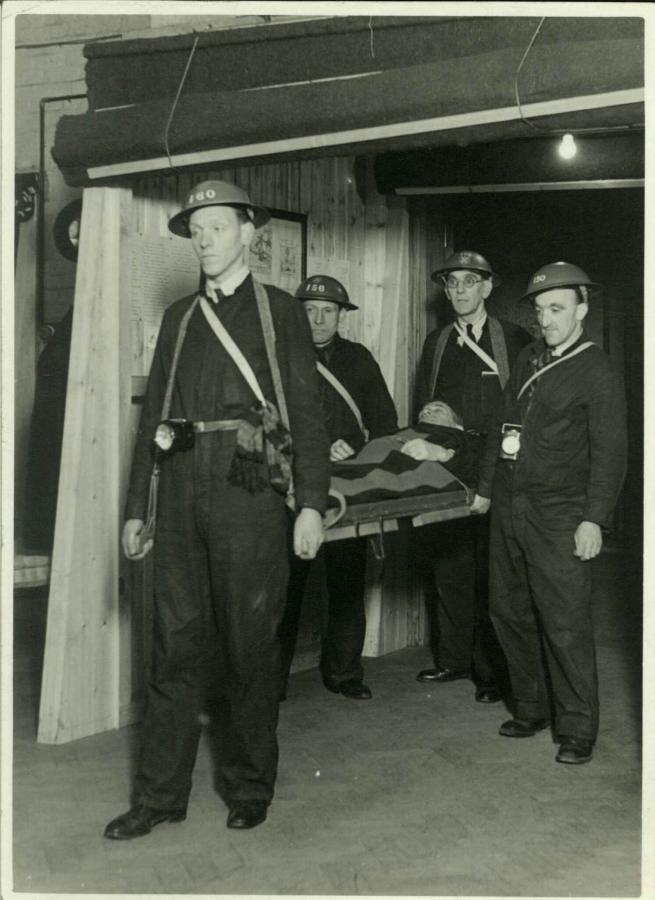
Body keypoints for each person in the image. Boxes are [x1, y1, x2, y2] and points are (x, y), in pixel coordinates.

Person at [104, 180, 330, 838]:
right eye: (196, 229)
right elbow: (155, 423)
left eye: (217, 227)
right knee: (171, 651)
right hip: (177, 495)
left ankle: (250, 785)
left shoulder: (279, 312)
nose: (204, 239)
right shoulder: (178, 318)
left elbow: (308, 416)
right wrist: (136, 506)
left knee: (247, 648)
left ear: (247, 234)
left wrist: (311, 503)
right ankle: (158, 796)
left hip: (250, 492)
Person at [479, 262, 627, 765]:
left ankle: (578, 727)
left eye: (557, 308)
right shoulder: (527, 359)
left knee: (564, 621)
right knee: (508, 609)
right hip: (510, 504)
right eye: (541, 310)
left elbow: (611, 452)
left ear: (582, 309)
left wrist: (595, 518)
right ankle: (531, 706)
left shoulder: (597, 369)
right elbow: (503, 427)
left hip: (561, 511)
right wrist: (485, 490)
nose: (547, 319)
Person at [414, 250, 532, 702]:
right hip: (448, 459)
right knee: (449, 563)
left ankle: (490, 673)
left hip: (497, 463)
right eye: (452, 284)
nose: (460, 291)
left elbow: (522, 411)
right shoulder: (437, 342)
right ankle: (453, 660)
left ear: (487, 287)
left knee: (491, 570)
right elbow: (425, 407)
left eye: (469, 282)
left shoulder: (515, 339)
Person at [278, 275, 398, 701]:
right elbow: (264, 422)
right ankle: (270, 682)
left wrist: (358, 444)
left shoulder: (360, 360)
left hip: (348, 490)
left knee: (347, 582)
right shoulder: (280, 357)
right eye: (309, 310)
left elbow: (386, 424)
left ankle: (344, 672)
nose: (318, 319)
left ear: (342, 315)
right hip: (293, 487)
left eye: (328, 310)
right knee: (284, 587)